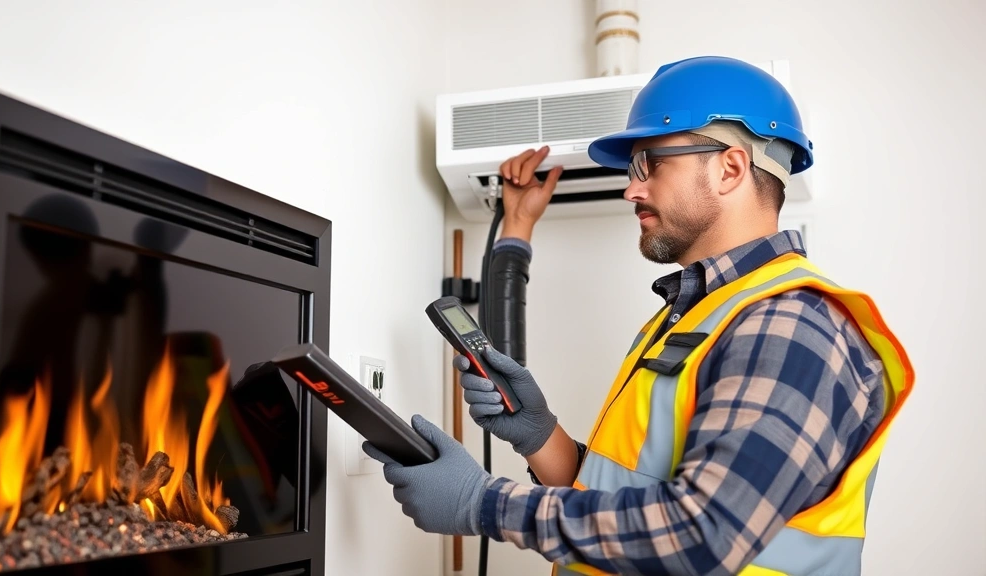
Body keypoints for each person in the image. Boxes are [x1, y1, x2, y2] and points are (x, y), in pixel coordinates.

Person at [362, 55, 914, 576]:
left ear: (730, 167)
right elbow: (627, 495)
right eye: (633, 167)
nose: (631, 188)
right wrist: (540, 435)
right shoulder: (691, 316)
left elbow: (705, 531)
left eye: (649, 164)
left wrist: (482, 504)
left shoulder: (790, 323)